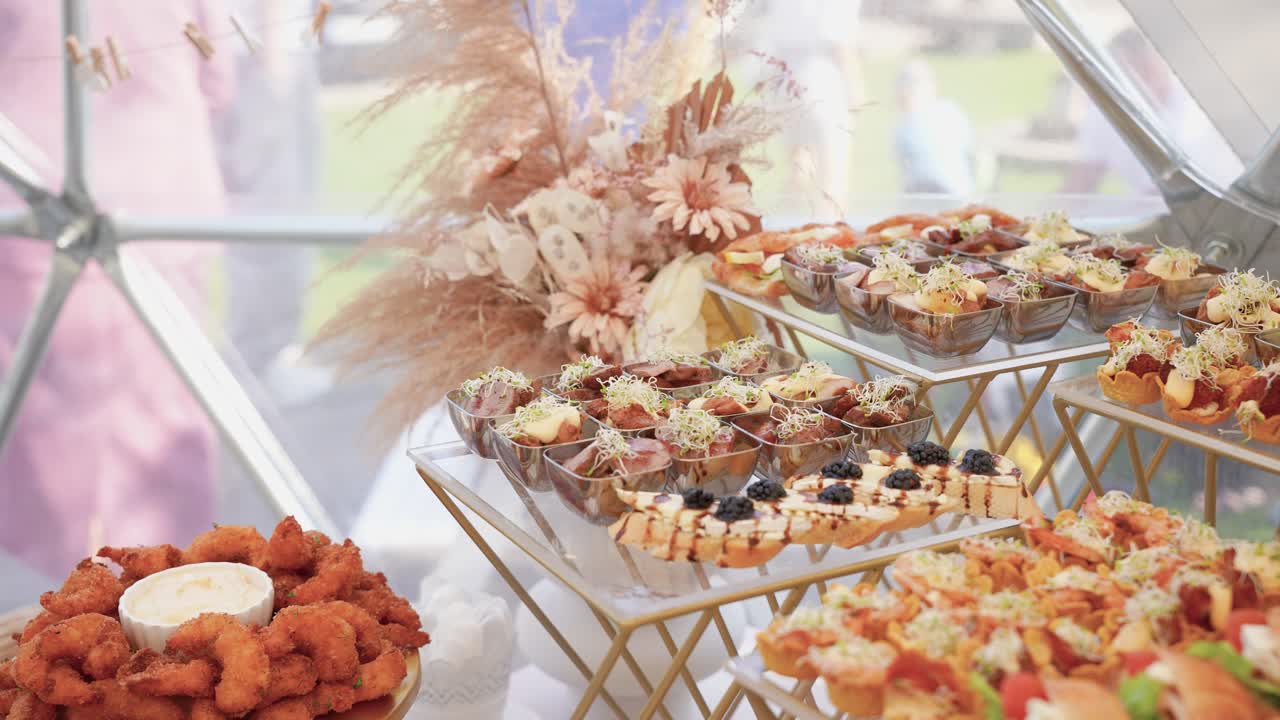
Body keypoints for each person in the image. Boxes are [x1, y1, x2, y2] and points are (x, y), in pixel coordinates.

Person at [0, 0, 232, 577]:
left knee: (67, 433)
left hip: (64, 210)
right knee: (135, 421)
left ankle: (98, 608)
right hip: (147, 203)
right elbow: (218, 76)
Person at [219, 0, 322, 383]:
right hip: (264, 52)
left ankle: (261, 354)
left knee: (267, 208)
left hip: (251, 49)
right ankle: (265, 359)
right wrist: (274, 61)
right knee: (276, 209)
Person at [893, 58, 976, 195]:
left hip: (928, 194)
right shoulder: (952, 111)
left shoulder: (903, 124)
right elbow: (970, 151)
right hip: (958, 193)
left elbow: (903, 166)